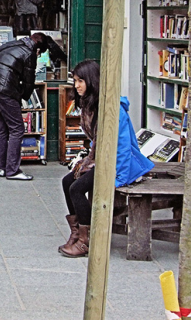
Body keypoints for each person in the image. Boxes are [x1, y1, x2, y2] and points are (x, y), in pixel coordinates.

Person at [58, 59, 154, 258]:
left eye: (80, 81)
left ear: (92, 81)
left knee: (77, 188)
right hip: (101, 159)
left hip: (117, 164)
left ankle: (86, 240)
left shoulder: (112, 109)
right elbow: (98, 140)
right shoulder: (90, 104)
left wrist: (118, 178)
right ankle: (76, 233)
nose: (76, 86)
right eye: (75, 81)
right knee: (67, 181)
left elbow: (123, 146)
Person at [0, 32, 51, 180]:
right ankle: (12, 170)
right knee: (17, 128)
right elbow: (28, 81)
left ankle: (3, 168)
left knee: (0, 128)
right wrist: (23, 97)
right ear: (38, 48)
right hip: (4, 91)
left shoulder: (10, 44)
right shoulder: (29, 53)